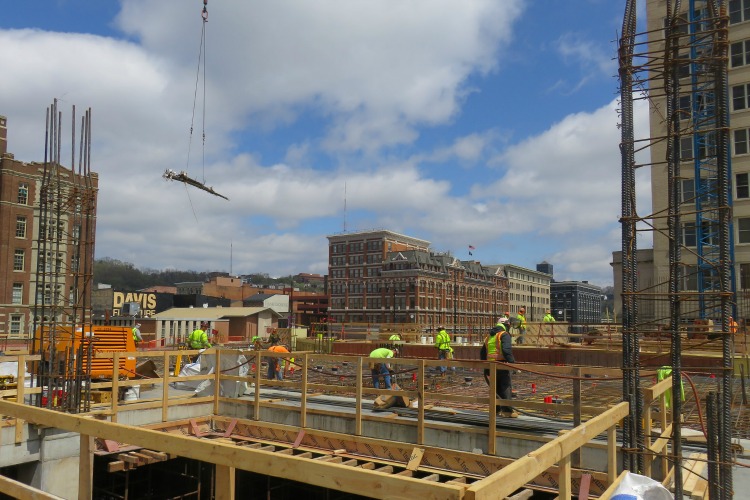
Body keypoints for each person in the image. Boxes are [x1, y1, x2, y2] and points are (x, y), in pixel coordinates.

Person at [485, 319, 517, 418]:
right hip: (501, 365)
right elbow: (506, 350)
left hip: (490, 366)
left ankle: (495, 410)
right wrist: (512, 364)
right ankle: (507, 411)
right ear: (506, 325)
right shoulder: (504, 334)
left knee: (495, 388)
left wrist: (485, 368)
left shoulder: (489, 336)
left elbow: (483, 352)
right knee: (505, 387)